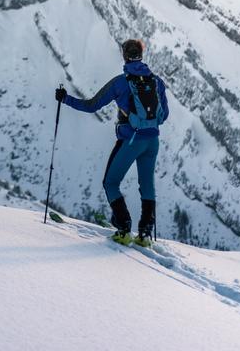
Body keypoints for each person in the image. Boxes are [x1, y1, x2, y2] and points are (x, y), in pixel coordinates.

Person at [55, 39, 169, 246]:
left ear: (125, 55)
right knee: (147, 185)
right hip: (152, 141)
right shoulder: (157, 82)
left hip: (131, 140)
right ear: (141, 55)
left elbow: (91, 106)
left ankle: (124, 228)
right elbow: (164, 115)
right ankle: (144, 234)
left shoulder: (120, 83)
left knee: (111, 183)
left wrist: (65, 99)